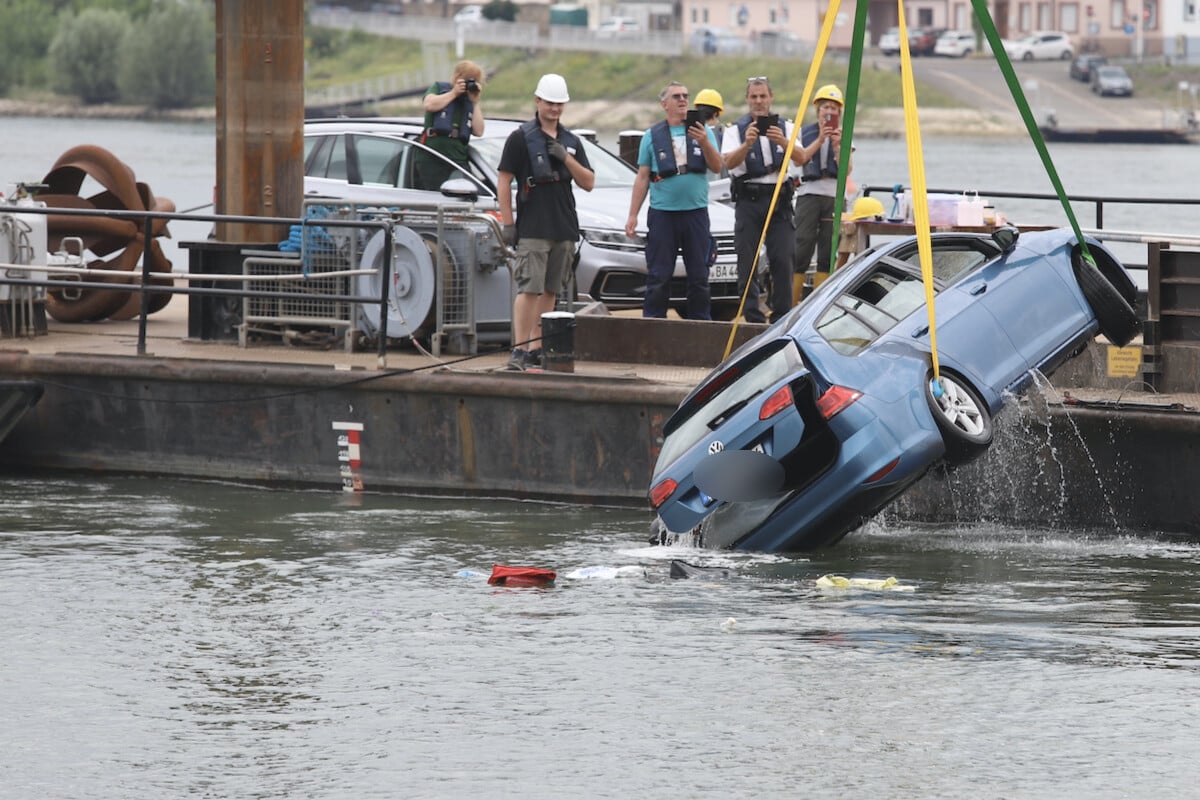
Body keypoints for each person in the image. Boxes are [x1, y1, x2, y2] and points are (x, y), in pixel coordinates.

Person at [497, 73, 595, 371]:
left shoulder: (571, 141)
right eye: (550, 102)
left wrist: (565, 158)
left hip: (563, 225)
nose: (554, 108)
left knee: (551, 290)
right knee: (529, 288)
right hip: (534, 226)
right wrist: (508, 222)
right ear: (537, 101)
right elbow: (504, 181)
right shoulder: (520, 138)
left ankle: (538, 348)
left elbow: (588, 182)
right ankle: (520, 349)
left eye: (559, 104)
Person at [624, 81, 725, 319]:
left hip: (695, 213)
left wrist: (703, 142)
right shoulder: (651, 136)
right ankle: (653, 324)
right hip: (663, 214)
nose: (682, 100)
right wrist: (632, 215)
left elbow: (717, 165)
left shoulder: (703, 131)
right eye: (676, 96)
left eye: (685, 96)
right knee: (659, 275)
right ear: (664, 104)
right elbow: (642, 177)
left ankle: (700, 325)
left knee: (699, 275)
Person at [721, 76, 805, 323]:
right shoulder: (734, 131)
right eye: (754, 97)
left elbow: (801, 159)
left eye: (763, 96)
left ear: (771, 98)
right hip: (749, 200)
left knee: (783, 258)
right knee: (747, 259)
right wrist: (747, 144)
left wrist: (783, 142)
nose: (759, 101)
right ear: (747, 100)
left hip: (779, 201)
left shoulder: (787, 128)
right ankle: (752, 317)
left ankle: (781, 315)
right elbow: (728, 163)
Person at [793, 84, 855, 303]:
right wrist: (820, 139)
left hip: (834, 196)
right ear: (818, 110)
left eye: (834, 108)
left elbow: (846, 170)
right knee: (802, 246)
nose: (829, 111)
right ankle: (791, 302)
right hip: (809, 193)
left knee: (828, 250)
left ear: (839, 112)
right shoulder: (803, 132)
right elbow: (798, 159)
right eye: (825, 107)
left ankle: (818, 303)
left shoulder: (844, 134)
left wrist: (838, 146)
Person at [414, 60, 485, 191]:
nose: (470, 83)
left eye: (474, 81)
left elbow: (479, 131)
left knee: (465, 193)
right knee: (435, 195)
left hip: (457, 157)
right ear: (457, 77)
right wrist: (454, 93)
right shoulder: (439, 88)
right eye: (467, 80)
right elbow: (429, 105)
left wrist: (475, 102)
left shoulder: (469, 100)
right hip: (432, 155)